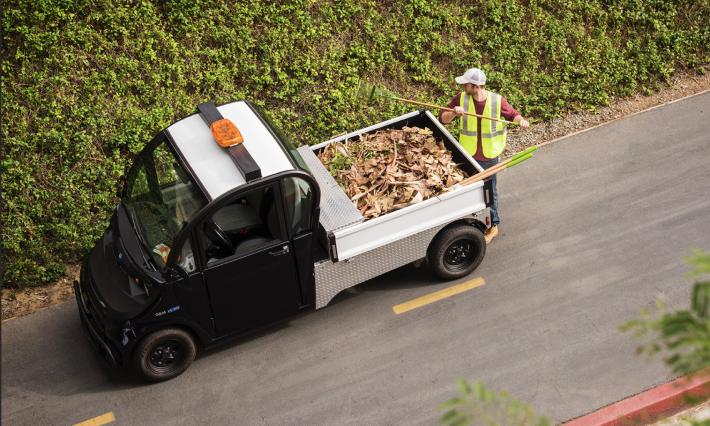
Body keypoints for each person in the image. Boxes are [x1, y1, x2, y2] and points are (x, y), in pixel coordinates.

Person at [439, 68, 529, 244]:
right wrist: (453, 113)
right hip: (467, 155)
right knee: (465, 190)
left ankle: (493, 225)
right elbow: (443, 119)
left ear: (477, 86)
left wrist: (522, 121)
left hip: (488, 156)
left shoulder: (497, 101)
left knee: (488, 192)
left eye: (466, 83)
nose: (463, 85)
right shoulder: (461, 99)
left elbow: (513, 115)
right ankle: (471, 221)